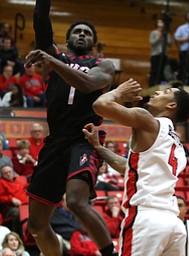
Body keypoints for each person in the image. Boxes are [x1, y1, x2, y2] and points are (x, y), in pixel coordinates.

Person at [24, 0, 116, 255]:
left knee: (76, 201)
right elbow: (41, 21)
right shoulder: (55, 57)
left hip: (84, 137)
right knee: (37, 225)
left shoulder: (102, 65)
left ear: (93, 42)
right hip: (55, 141)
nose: (82, 35)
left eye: (87, 33)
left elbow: (87, 84)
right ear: (67, 39)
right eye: (77, 31)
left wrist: (51, 60)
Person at [83, 79, 189, 255]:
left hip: (147, 218)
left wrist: (119, 92)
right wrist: (98, 148)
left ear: (172, 105)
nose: (157, 92)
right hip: (174, 224)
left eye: (165, 92)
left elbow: (100, 105)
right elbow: (129, 168)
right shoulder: (178, 146)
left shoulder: (147, 120)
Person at [0, 165, 28, 236]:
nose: (8, 174)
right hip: (11, 208)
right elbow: (0, 197)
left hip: (25, 205)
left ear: (13, 172)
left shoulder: (19, 181)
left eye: (9, 172)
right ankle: (16, 235)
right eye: (5, 173)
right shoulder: (1, 183)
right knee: (17, 213)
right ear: (2, 175)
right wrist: (11, 199)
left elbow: (27, 188)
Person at [149, 18, 173, 86]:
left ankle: (162, 84)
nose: (161, 23)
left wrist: (171, 38)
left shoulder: (166, 34)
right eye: (159, 22)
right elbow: (152, 43)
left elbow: (169, 44)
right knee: (154, 70)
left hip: (164, 54)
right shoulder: (153, 32)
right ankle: (152, 85)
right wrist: (158, 38)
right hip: (155, 54)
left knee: (163, 70)